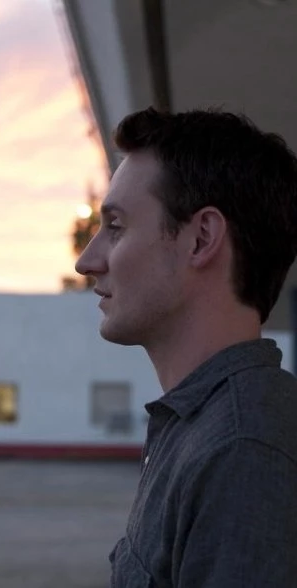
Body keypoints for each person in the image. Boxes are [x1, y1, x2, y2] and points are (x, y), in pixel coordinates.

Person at [75, 107, 297, 587]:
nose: (87, 261)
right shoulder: (203, 427)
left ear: (201, 239)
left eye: (116, 226)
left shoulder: (242, 451)